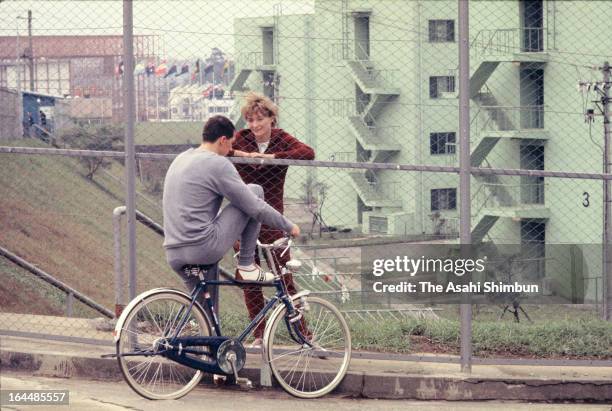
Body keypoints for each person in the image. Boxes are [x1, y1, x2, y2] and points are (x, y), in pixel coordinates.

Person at [162, 115, 301, 317]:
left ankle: (205, 345)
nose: (230, 151)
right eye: (230, 145)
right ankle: (246, 264)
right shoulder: (217, 163)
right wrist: (289, 226)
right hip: (202, 248)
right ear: (223, 140)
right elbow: (254, 207)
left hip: (174, 252)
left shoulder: (181, 159)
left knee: (207, 320)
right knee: (254, 191)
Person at [229, 92, 314, 347]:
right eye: (250, 120)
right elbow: (218, 148)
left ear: (271, 119)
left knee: (285, 278)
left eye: (260, 120)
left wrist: (272, 158)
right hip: (243, 219)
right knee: (249, 278)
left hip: (273, 218)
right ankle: (259, 334)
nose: (255, 126)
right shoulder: (242, 138)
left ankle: (303, 334)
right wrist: (244, 156)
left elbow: (307, 153)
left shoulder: (281, 139)